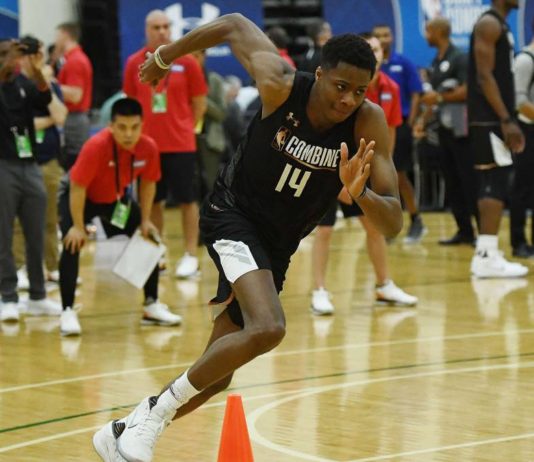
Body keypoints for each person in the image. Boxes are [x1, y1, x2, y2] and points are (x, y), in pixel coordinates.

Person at [92, 13, 402, 462]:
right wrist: (165, 55)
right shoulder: (280, 85)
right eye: (340, 86)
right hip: (232, 215)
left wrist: (361, 194)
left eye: (359, 91)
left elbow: (393, 222)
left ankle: (122, 430)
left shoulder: (367, 123)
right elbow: (235, 24)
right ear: (319, 74)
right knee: (269, 327)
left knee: (219, 372)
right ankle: (151, 418)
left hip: (277, 244)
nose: (348, 99)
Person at [311, 33, 417, 315]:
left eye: (379, 49)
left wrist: (376, 177)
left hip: (361, 172)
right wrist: (339, 185)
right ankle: (319, 290)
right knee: (324, 230)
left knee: (374, 228)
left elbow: (388, 137)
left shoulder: (390, 88)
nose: (376, 53)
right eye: (371, 48)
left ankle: (384, 284)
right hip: (327, 167)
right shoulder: (337, 88)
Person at [57, 97, 182, 336]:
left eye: (134, 127)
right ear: (111, 126)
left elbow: (148, 184)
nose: (128, 134)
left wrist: (145, 220)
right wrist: (78, 226)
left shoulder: (148, 147)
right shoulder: (95, 146)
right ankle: (67, 311)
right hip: (80, 198)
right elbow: (77, 187)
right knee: (72, 242)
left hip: (114, 200)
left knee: (149, 236)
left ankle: (151, 305)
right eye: (122, 127)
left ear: (142, 125)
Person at [123, 9, 208, 279]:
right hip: (147, 146)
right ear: (146, 30)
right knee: (153, 202)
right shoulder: (133, 63)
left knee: (188, 200)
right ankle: (157, 253)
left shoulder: (188, 62)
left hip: (181, 145)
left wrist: (185, 128)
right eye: (156, 27)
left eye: (165, 26)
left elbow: (200, 103)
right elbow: (130, 105)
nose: (162, 31)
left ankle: (191, 255)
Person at [0, 38, 62, 322]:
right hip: (4, 165)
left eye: (14, 54)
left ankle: (38, 295)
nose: (12, 59)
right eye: (5, 54)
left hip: (30, 165)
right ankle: (8, 296)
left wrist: (36, 70)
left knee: (36, 232)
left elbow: (45, 99)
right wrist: (7, 61)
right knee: (4, 235)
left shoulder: (23, 83)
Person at [467, 0, 528, 278]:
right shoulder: (489, 24)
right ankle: (486, 255)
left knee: (497, 179)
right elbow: (484, 76)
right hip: (489, 118)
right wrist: (506, 119)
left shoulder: (500, 25)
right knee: (494, 180)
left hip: (494, 117)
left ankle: (487, 251)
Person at [416, 17, 478, 245]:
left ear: (439, 31)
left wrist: (441, 97)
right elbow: (432, 98)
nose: (426, 35)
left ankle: (483, 234)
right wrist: (422, 121)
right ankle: (464, 231)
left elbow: (468, 90)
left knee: (469, 180)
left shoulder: (459, 57)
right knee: (451, 181)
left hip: (462, 129)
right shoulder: (436, 61)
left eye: (428, 30)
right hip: (443, 129)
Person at [373, 24, 426, 243]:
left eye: (386, 35)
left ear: (392, 37)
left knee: (399, 175)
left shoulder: (403, 63)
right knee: (378, 178)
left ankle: (416, 219)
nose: (383, 39)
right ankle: (387, 226)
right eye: (378, 36)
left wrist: (410, 122)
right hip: (373, 127)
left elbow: (416, 94)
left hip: (398, 125)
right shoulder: (371, 66)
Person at [509, 21, 534, 258]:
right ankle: (518, 242)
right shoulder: (526, 59)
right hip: (526, 131)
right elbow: (520, 102)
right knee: (522, 188)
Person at [55, 22, 93, 170]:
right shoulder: (72, 59)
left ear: (65, 35)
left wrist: (49, 86)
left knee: (74, 162)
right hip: (74, 118)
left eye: (57, 36)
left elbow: (76, 95)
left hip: (75, 119)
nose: (56, 40)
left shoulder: (75, 61)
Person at [191, 49, 228, 196]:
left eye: (196, 56)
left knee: (212, 184)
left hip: (209, 139)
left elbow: (221, 114)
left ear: (204, 56)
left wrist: (200, 100)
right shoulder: (181, 79)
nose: (193, 60)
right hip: (187, 139)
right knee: (190, 186)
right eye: (190, 56)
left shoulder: (214, 80)